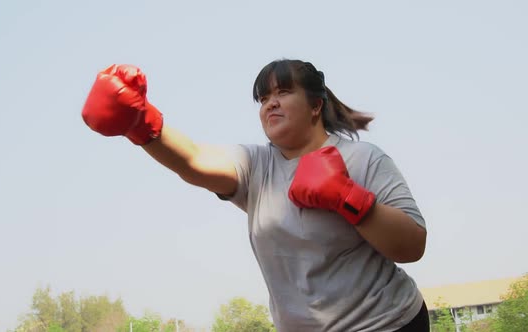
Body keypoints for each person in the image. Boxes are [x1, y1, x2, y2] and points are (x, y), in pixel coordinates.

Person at [81, 59, 429, 332]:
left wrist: (347, 197)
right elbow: (193, 160)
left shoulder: (362, 158)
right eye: (263, 98)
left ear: (315, 105)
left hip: (388, 323)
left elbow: (412, 245)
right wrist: (140, 121)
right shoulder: (257, 165)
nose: (270, 104)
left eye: (283, 93)